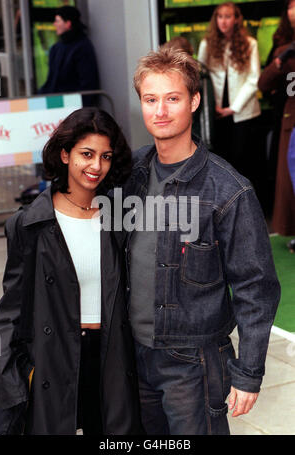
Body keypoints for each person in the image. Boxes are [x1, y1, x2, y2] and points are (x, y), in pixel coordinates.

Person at [123, 46, 280, 435]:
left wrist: (248, 373)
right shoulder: (131, 174)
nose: (160, 111)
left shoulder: (229, 191)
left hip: (193, 362)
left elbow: (255, 288)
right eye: (150, 99)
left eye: (172, 98)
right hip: (131, 354)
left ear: (194, 101)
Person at [0, 107, 143, 435]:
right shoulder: (29, 224)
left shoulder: (119, 218)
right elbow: (11, 310)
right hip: (55, 358)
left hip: (111, 357)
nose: (96, 166)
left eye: (105, 156)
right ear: (64, 154)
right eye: (86, 154)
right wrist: (12, 380)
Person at [197, 2, 261, 179]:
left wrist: (233, 108)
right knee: (219, 159)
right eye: (220, 17)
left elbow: (253, 79)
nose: (223, 21)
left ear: (236, 20)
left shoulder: (250, 44)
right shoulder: (207, 44)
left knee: (242, 160)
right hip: (215, 112)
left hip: (242, 112)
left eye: (227, 16)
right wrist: (213, 106)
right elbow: (201, 76)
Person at [258, 0, 295, 237]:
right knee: (291, 182)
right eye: (291, 8)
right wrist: (280, 61)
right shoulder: (285, 48)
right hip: (291, 123)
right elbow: (263, 84)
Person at [39, 6, 100, 96]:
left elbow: (88, 83)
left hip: (74, 104)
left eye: (57, 21)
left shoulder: (82, 47)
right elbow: (51, 81)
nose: (54, 24)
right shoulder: (56, 48)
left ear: (68, 24)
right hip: (57, 102)